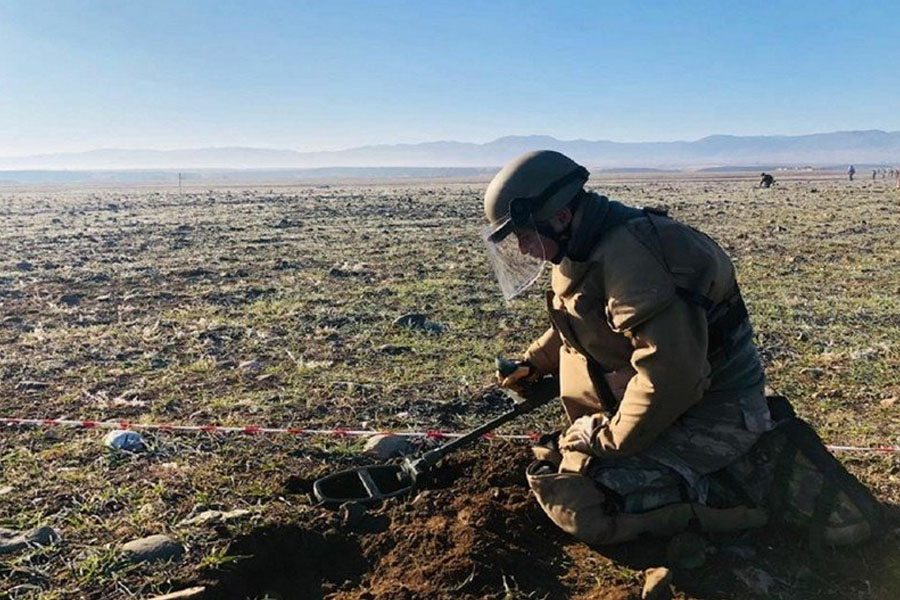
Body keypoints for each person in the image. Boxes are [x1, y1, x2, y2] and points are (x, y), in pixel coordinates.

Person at [483, 150, 882, 547]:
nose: (524, 249)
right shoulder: (585, 246)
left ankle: (735, 504)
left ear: (561, 217)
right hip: (665, 405)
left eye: (525, 235)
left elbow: (670, 378)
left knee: (584, 501)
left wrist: (603, 440)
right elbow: (583, 319)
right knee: (564, 465)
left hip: (714, 412)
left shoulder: (638, 260)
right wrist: (534, 362)